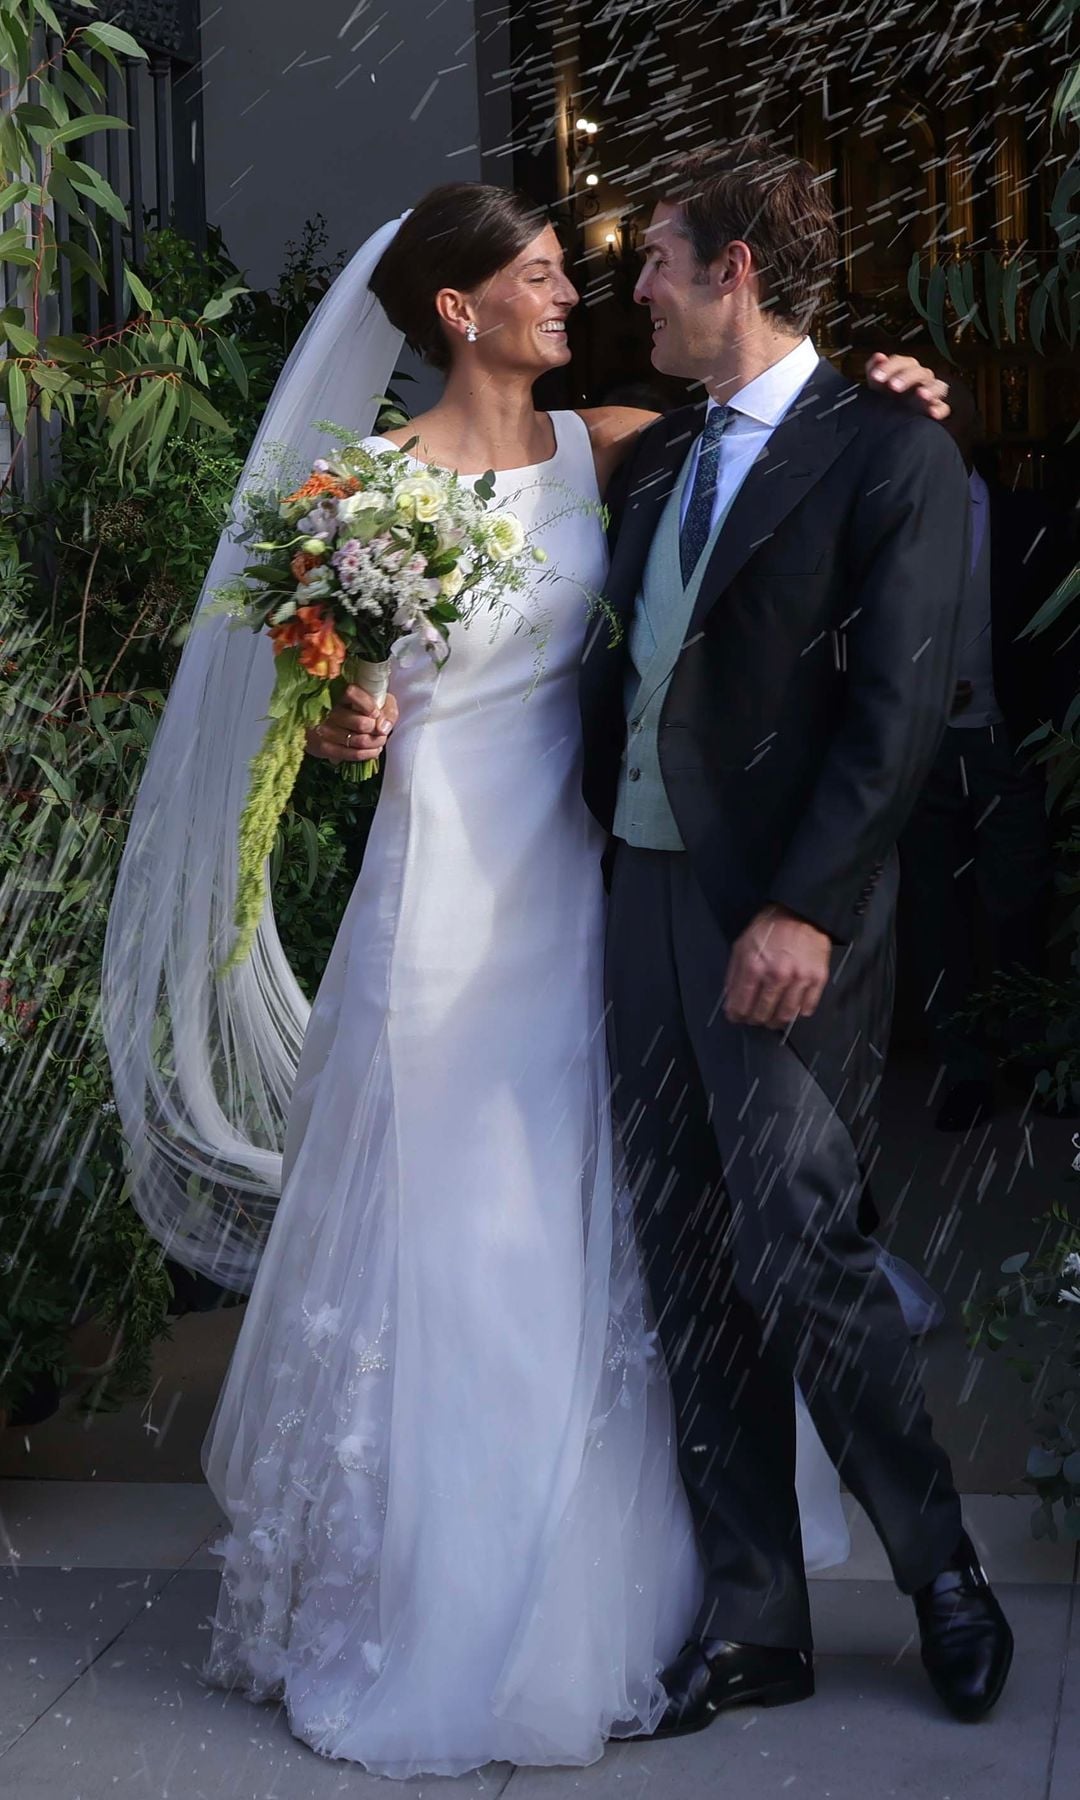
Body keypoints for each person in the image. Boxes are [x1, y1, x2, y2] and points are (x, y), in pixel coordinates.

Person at [104, 182, 952, 1778]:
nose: (584, 296)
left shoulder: (614, 445)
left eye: (586, 271)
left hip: (592, 895)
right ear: (457, 311)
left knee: (623, 1233)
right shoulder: (358, 491)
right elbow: (325, 703)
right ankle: (442, 1592)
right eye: (547, 275)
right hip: (439, 909)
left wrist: (892, 383)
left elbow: (791, 443)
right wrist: (344, 721)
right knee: (461, 1239)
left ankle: (660, 1587)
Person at [578, 141, 1014, 1735]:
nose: (638, 292)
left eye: (661, 263)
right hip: (638, 897)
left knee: (806, 1256)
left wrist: (805, 908)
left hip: (778, 915)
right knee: (684, 1258)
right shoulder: (658, 455)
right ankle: (755, 1617)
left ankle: (943, 1577)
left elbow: (895, 718)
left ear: (739, 271)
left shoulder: (887, 450)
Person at [900, 381, 1075, 1129]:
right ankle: (963, 1070)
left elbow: (1055, 639)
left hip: (1005, 739)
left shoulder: (1026, 521)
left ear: (967, 431)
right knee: (933, 912)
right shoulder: (887, 523)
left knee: (1017, 902)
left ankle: (1032, 1055)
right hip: (918, 747)